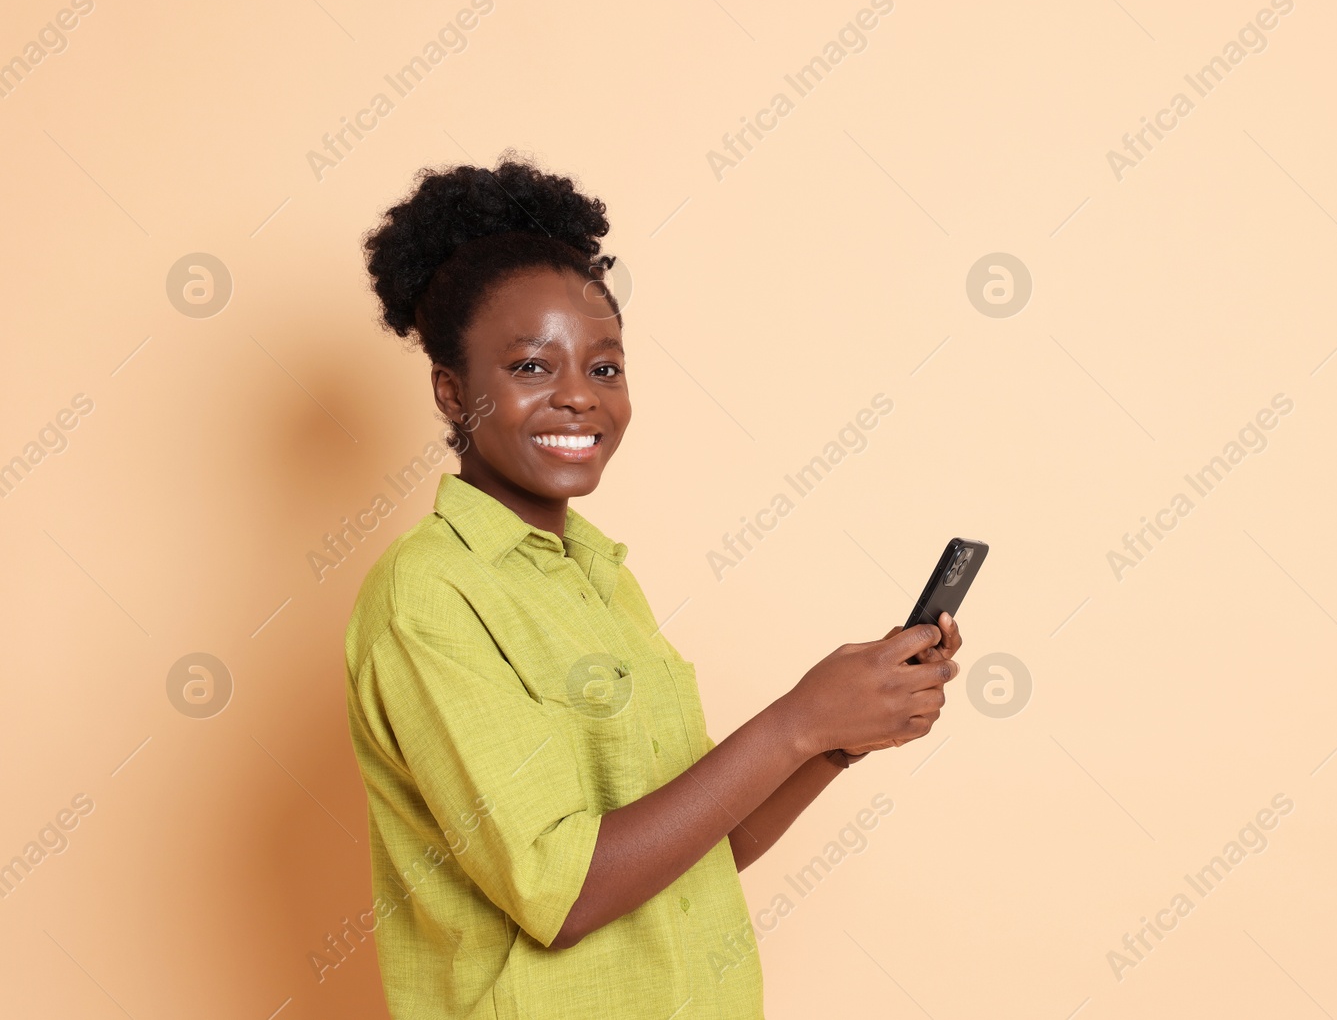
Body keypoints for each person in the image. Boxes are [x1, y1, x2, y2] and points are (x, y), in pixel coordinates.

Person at [343, 153, 962, 1019]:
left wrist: (836, 737)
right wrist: (797, 719)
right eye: (530, 368)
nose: (578, 399)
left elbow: (700, 847)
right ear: (453, 391)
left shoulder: (599, 581)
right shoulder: (427, 598)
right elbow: (564, 895)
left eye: (604, 368)